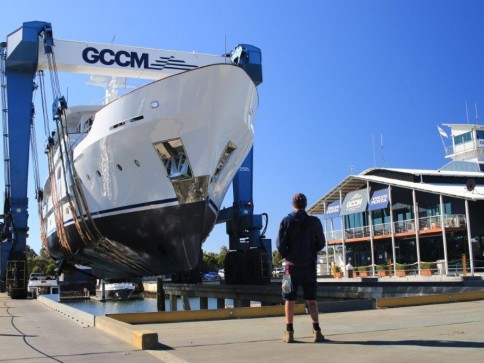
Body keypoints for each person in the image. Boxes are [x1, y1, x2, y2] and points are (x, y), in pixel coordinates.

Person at [276, 192, 326, 343]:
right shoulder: (315, 221)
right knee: (312, 299)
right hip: (309, 266)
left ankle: (289, 332)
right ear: (306, 205)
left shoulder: (286, 221)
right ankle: (317, 331)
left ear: (293, 204)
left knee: (289, 300)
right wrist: (310, 252)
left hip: (290, 267)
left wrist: (288, 255)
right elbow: (321, 243)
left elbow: (279, 245)